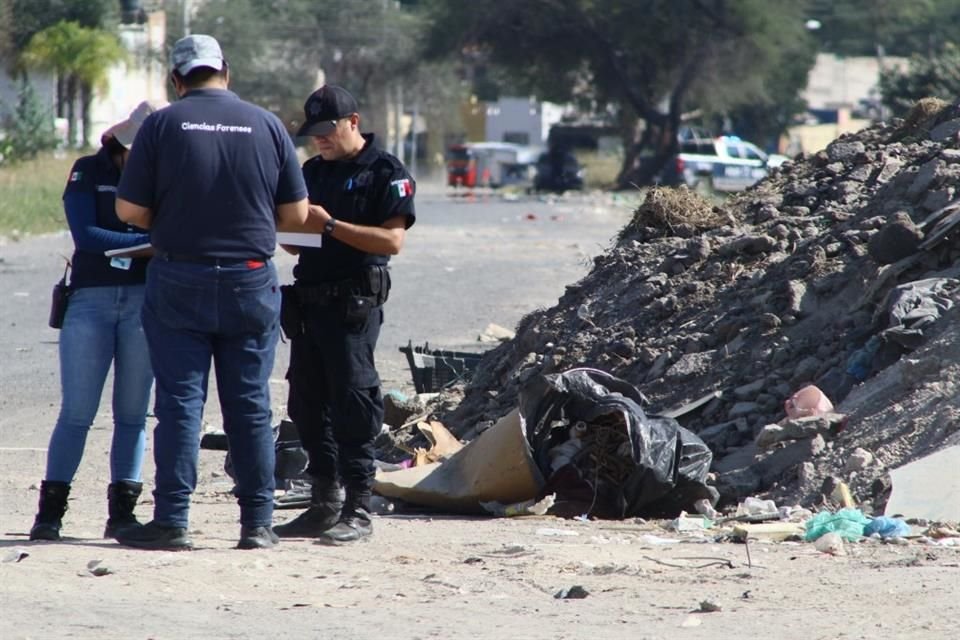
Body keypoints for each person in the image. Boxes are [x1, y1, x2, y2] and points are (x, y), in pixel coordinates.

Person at [114, 34, 309, 551]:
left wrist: (176, 213)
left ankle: (174, 521)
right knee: (249, 405)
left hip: (181, 276)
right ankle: (258, 524)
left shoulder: (161, 124)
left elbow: (128, 212)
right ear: (227, 70)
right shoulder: (267, 125)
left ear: (176, 80)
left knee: (180, 403)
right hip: (251, 277)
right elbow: (295, 217)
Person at [274, 85, 415, 544]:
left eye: (328, 130)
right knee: (306, 404)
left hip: (353, 305)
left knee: (353, 403)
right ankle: (323, 502)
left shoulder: (385, 171)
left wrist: (330, 224)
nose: (320, 140)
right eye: (313, 133)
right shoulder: (310, 172)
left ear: (352, 122)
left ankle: (358, 506)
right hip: (310, 302)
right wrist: (286, 227)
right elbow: (296, 240)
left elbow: (392, 241)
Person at [30, 100, 167, 542]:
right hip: (90, 300)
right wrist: (151, 241)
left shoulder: (165, 176)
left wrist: (140, 243)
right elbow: (86, 237)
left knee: (131, 415)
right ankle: (49, 514)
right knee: (76, 412)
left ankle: (121, 515)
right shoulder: (89, 170)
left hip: (145, 301)